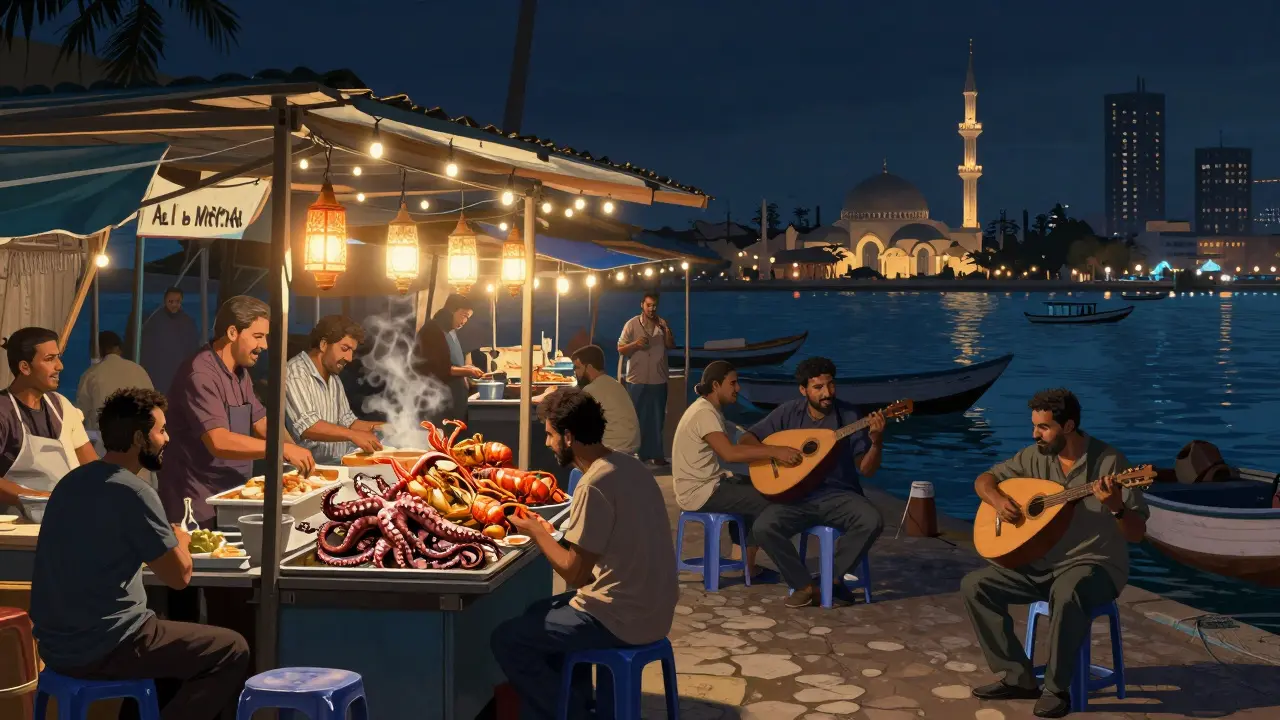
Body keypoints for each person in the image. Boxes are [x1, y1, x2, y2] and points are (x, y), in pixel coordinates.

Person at [30, 387, 249, 720]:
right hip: (108, 643)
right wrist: (181, 539)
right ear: (137, 438)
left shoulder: (71, 483)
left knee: (167, 645)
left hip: (56, 646)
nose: (167, 438)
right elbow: (179, 578)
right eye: (160, 430)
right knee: (232, 648)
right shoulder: (135, 491)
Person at [962, 389, 1149, 719]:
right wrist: (996, 499)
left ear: (1069, 426)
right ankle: (1018, 678)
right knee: (975, 585)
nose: (1035, 434)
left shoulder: (1110, 463)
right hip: (1041, 565)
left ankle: (1056, 688)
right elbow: (984, 479)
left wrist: (1117, 507)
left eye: (1043, 427)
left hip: (1095, 567)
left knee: (1069, 591)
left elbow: (1136, 533)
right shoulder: (1034, 457)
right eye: (1034, 426)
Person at [492, 388, 677, 719]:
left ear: (568, 435)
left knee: (508, 638)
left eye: (549, 435)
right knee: (539, 611)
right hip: (656, 609)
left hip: (623, 618)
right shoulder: (628, 465)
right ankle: (573, 703)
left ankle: (573, 714)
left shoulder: (594, 484)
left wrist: (535, 533)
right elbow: (604, 546)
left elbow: (575, 573)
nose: (547, 444)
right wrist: (551, 534)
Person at [739, 356, 887, 607]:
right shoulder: (789, 412)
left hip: (840, 495)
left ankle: (830, 581)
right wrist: (776, 453)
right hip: (797, 496)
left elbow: (867, 470)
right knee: (763, 527)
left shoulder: (849, 415)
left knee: (872, 520)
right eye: (818, 388)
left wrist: (876, 441)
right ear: (803, 390)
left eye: (830, 385)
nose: (826, 393)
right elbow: (746, 442)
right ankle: (804, 585)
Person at [160, 295, 315, 527]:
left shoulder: (240, 373)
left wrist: (295, 452)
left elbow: (261, 421)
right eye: (258, 336)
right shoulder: (200, 374)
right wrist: (280, 450)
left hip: (233, 496)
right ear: (233, 333)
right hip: (197, 503)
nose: (264, 345)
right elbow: (218, 441)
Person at [672, 361, 801, 577]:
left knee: (756, 485)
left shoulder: (708, 410)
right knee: (767, 499)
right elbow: (729, 454)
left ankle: (741, 558)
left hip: (707, 484)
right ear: (715, 385)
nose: (738, 388)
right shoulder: (704, 413)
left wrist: (770, 445)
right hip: (699, 492)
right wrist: (775, 452)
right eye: (733, 383)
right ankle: (751, 567)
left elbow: (740, 439)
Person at [0, 327, 97, 511]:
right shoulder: (4, 412)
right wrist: (41, 499)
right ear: (25, 367)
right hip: (16, 529)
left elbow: (93, 468)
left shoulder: (62, 406)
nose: (60, 366)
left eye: (58, 358)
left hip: (65, 518)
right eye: (49, 359)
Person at [285, 315, 384, 464]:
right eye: (345, 349)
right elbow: (308, 427)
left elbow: (348, 422)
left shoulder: (334, 378)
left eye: (352, 351)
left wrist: (386, 428)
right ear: (324, 345)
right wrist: (353, 435)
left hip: (337, 465)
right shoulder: (295, 374)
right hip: (306, 471)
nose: (349, 358)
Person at [536, 344, 640, 455]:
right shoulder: (613, 384)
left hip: (614, 448)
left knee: (566, 438)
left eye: (577, 367)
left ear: (589, 367)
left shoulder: (592, 389)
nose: (575, 372)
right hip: (630, 445)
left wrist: (548, 397)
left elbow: (569, 409)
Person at [617, 291, 674, 467]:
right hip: (636, 379)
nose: (651, 308)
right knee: (637, 418)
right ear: (642, 305)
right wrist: (635, 345)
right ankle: (638, 455)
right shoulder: (631, 324)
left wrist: (666, 329)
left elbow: (671, 345)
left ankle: (657, 455)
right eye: (648, 305)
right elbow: (620, 348)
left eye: (654, 305)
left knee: (657, 419)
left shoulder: (662, 324)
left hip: (658, 379)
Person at [414, 293, 483, 423]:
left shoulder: (450, 331)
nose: (464, 322)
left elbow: (450, 364)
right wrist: (467, 371)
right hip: (437, 404)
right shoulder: (432, 330)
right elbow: (440, 369)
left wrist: (466, 370)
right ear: (451, 310)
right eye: (464, 316)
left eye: (468, 318)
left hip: (454, 404)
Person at [76, 331, 154, 432]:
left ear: (97, 350)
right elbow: (153, 406)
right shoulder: (139, 370)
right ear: (119, 349)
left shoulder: (90, 374)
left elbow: (81, 413)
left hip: (103, 438)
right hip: (137, 435)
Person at [140, 287, 202, 395]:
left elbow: (193, 350)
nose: (174, 304)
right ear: (165, 301)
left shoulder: (188, 323)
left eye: (177, 301)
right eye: (171, 301)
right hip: (158, 374)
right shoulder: (154, 321)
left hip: (180, 376)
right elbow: (146, 350)